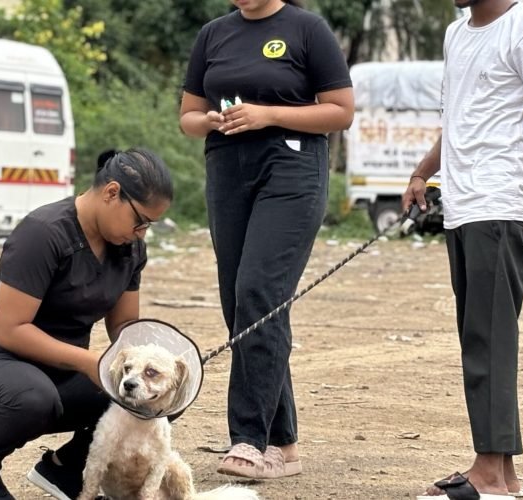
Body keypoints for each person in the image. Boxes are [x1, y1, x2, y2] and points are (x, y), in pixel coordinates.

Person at [179, 0, 353, 480]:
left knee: (260, 291)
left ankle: (249, 439)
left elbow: (340, 112)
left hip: (292, 167)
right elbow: (189, 117)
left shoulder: (306, 29)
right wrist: (213, 121)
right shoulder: (213, 34)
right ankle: (284, 445)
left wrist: (268, 115)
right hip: (228, 168)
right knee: (243, 305)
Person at [0, 149, 173, 500]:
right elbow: (9, 329)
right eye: (140, 221)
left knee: (157, 395)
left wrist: (162, 366)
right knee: (34, 396)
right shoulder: (44, 232)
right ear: (112, 193)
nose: (141, 233)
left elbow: (125, 325)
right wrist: (86, 362)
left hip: (60, 373)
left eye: (148, 227)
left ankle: (64, 469)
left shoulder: (128, 249)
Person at [403, 1, 523, 498]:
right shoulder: (457, 34)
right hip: (463, 206)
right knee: (481, 336)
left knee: (488, 340)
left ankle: (488, 470)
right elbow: (460, 121)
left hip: (502, 205)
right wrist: (423, 172)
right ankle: (503, 473)